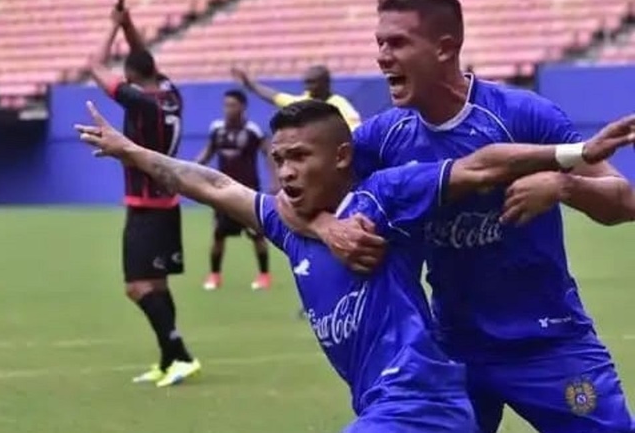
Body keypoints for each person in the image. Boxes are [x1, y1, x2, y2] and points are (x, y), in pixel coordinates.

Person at [75, 98, 635, 432]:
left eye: (300, 157)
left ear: (342, 156)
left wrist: (574, 157)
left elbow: (477, 167)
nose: (286, 173)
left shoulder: (384, 199)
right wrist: (130, 151)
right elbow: (212, 182)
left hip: (421, 403)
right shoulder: (289, 226)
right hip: (386, 406)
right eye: (279, 160)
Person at [276, 0, 635, 432]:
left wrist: (564, 185)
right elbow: (284, 202)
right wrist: (329, 228)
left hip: (549, 342)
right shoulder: (382, 138)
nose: (382, 57)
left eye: (398, 43)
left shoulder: (524, 115)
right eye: (379, 43)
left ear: (445, 47)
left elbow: (624, 201)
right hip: (452, 351)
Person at [90, 0, 200, 388]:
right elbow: (142, 57)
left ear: (132, 77)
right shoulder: (170, 94)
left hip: (146, 206)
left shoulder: (139, 102)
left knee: (136, 287)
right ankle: (173, 360)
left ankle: (179, 353)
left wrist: (110, 27)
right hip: (168, 202)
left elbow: (95, 65)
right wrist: (126, 23)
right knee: (157, 285)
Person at [195, 89, 276, 291]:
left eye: (232, 105)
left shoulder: (252, 131)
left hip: (248, 191)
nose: (228, 109)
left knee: (257, 235)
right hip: (223, 191)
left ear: (242, 107)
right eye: (226, 105)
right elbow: (207, 153)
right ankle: (215, 276)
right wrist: (190, 170)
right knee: (218, 234)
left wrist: (275, 181)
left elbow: (269, 154)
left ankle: (264, 276)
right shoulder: (217, 129)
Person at [231, 65, 362, 131]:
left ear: (325, 83)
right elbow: (274, 96)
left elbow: (355, 132)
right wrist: (250, 84)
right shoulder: (303, 102)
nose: (308, 86)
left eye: (312, 82)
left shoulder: (340, 105)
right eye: (306, 82)